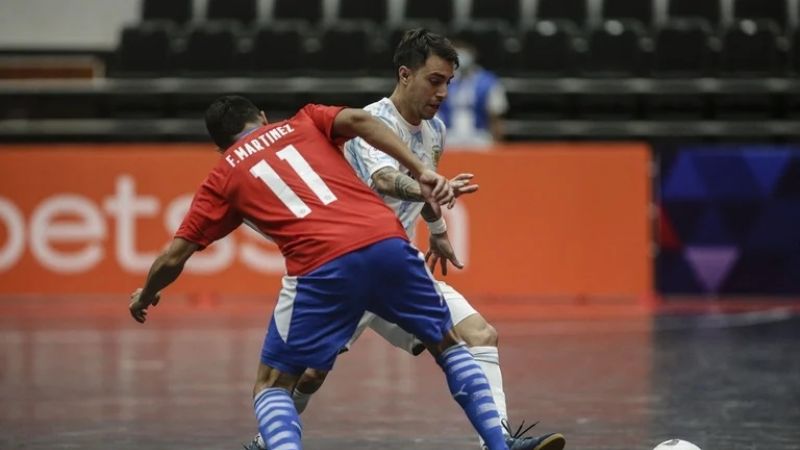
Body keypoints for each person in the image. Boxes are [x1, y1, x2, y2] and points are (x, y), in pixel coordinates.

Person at [129, 95, 512, 450]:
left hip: (322, 268)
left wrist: (146, 294)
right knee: (448, 344)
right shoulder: (304, 120)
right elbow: (361, 120)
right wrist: (421, 169)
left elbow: (173, 256)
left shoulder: (222, 177)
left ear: (219, 146)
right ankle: (499, 442)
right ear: (262, 118)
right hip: (387, 242)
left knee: (272, 385)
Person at [245, 29, 565, 450]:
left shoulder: (435, 132)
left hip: (397, 269)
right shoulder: (371, 122)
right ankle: (267, 441)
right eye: (435, 80)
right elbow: (388, 179)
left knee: (480, 335)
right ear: (404, 74)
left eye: (449, 82)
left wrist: (437, 230)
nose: (443, 92)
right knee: (308, 375)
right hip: (346, 270)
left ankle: (498, 442)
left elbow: (421, 182)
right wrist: (428, 189)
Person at [437, 40, 509, 149]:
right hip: (449, 136)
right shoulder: (442, 80)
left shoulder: (488, 82)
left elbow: (496, 117)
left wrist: (498, 145)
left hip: (479, 137)